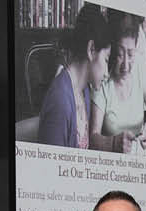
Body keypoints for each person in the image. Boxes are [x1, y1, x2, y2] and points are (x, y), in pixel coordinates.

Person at [31, 5, 110, 150]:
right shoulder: (60, 101)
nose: (107, 73)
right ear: (91, 50)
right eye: (106, 59)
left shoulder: (84, 90)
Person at [92, 14, 146, 155]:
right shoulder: (102, 76)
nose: (125, 65)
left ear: (137, 48)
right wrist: (113, 143)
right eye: (119, 54)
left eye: (131, 54)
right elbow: (92, 137)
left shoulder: (140, 67)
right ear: (112, 51)